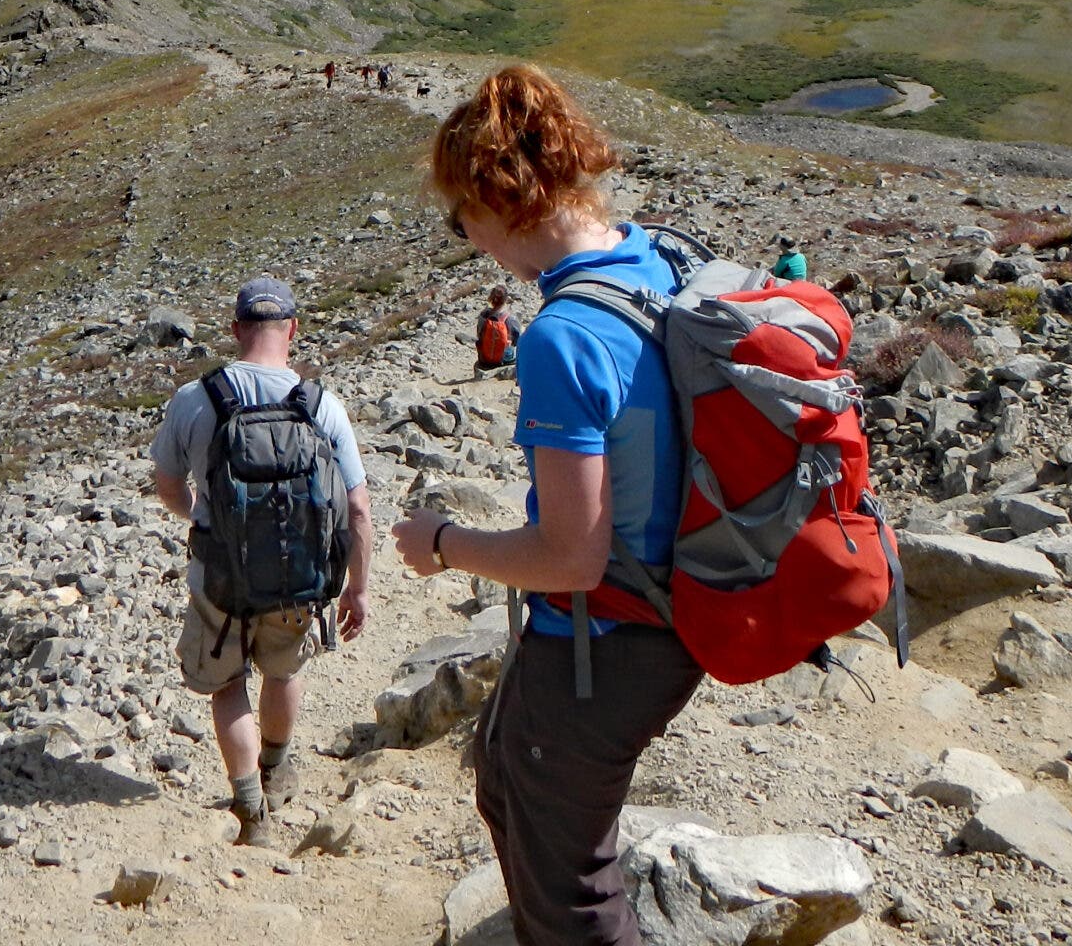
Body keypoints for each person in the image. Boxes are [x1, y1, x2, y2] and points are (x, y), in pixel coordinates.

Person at [391, 65, 701, 945]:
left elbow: (571, 558)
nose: (471, 240)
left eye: (464, 219)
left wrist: (444, 541)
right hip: (686, 598)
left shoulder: (563, 337)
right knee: (504, 777)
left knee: (572, 895)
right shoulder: (660, 253)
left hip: (610, 639)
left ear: (501, 198)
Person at [152, 277, 374, 845]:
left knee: (228, 686)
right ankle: (277, 770)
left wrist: (198, 512)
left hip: (219, 575)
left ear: (235, 331)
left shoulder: (195, 399)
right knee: (283, 668)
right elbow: (358, 509)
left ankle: (252, 816)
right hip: (300, 575)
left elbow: (169, 485)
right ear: (293, 332)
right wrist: (357, 589)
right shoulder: (322, 405)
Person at [474, 285, 515, 371]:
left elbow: (479, 334)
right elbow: (517, 339)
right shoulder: (510, 318)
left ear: (491, 298)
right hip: (504, 359)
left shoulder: (484, 315)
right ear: (505, 299)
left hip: (484, 359)